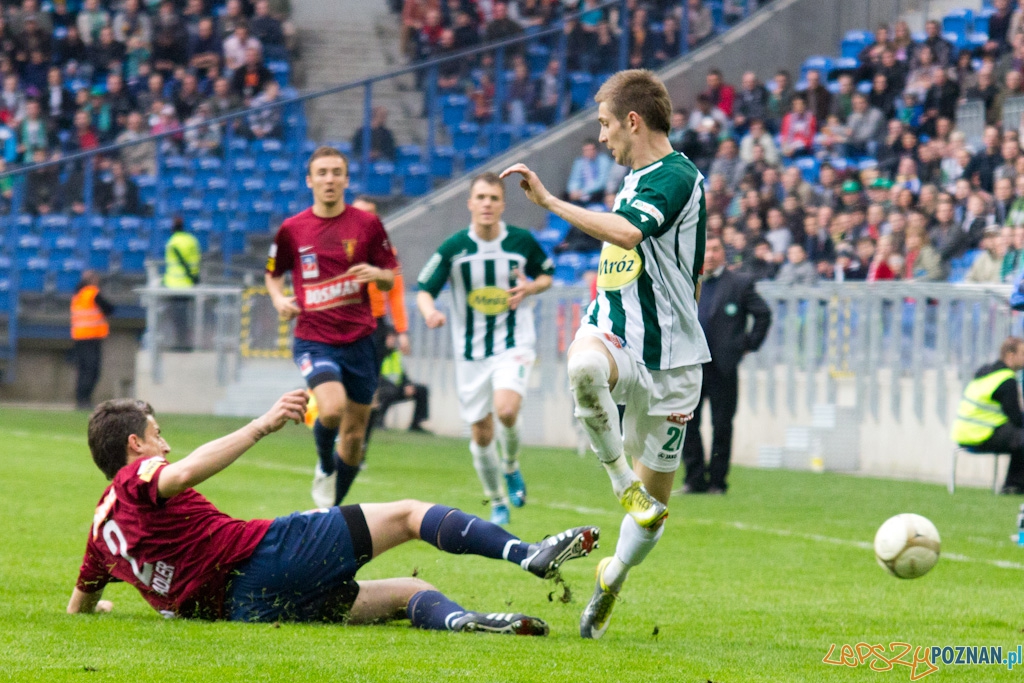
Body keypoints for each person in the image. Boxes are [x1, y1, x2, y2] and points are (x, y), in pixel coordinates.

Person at [67, 390, 600, 634]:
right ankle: (527, 553)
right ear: (135, 445)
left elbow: (79, 605)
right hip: (265, 557)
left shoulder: (100, 530)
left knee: (408, 592)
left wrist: (102, 609)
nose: (165, 446)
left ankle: (463, 622)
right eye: (158, 436)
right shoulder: (140, 475)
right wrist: (262, 425)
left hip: (247, 610)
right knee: (409, 515)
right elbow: (180, 475)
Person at [501, 69, 710, 639]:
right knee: (584, 366)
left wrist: (548, 201)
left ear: (632, 121)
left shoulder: (676, 176)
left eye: (604, 124)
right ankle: (622, 485)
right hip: (615, 331)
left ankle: (611, 577)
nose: (600, 136)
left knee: (652, 522)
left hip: (672, 362)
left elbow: (627, 236)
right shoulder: (634, 178)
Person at [417, 172, 554, 524]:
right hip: (471, 353)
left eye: (493, 198)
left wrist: (530, 288)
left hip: (514, 342)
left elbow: (546, 274)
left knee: (506, 410)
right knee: (481, 432)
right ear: (470, 203)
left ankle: (510, 465)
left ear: (503, 204)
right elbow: (424, 289)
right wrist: (430, 312)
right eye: (481, 197)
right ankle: (496, 501)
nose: (487, 204)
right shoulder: (454, 248)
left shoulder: (521, 241)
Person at [265, 147, 398, 509]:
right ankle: (325, 465)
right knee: (332, 409)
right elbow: (273, 274)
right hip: (314, 339)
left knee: (354, 438)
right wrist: (278, 299)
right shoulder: (292, 229)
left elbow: (390, 276)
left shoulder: (367, 225)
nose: (329, 179)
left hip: (360, 341)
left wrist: (377, 274)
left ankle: (332, 508)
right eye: (322, 173)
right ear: (310, 180)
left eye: (336, 172)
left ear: (346, 179)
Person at [679, 236, 771, 494]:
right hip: (691, 366)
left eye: (715, 249)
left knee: (721, 426)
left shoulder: (739, 283)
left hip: (723, 367)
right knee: (687, 423)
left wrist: (747, 344)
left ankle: (718, 482)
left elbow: (763, 314)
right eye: (705, 250)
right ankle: (694, 479)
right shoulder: (687, 283)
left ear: (723, 254)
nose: (710, 255)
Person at [950, 337, 1024, 494]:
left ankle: (1014, 485)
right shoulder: (1006, 380)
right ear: (1010, 355)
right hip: (981, 435)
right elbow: (1017, 419)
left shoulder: (985, 372)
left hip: (962, 434)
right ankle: (1014, 486)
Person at [373, 325, 430, 433]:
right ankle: (378, 421)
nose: (393, 340)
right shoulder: (377, 353)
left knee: (421, 390)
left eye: (394, 337)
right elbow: (377, 375)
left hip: (396, 387)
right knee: (389, 392)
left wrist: (408, 384)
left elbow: (401, 373)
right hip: (381, 388)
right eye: (390, 337)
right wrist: (397, 387)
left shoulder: (395, 354)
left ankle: (416, 424)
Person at [70, 271, 114, 410]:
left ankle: (81, 399)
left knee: (83, 369)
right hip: (91, 336)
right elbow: (109, 308)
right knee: (92, 370)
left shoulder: (77, 295)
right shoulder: (92, 293)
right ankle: (84, 399)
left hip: (79, 336)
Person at [163, 217, 201, 350]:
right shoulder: (192, 240)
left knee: (177, 317)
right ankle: (188, 342)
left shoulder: (172, 242)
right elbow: (196, 260)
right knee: (187, 316)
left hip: (174, 285)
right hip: (190, 284)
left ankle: (180, 342)